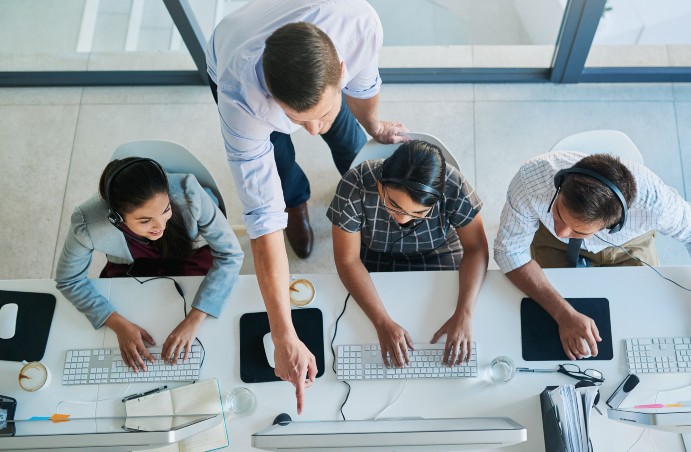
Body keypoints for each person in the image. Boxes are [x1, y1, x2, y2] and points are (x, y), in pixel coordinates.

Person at [205, 0, 407, 412]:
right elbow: (262, 223)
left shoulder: (359, 26)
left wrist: (371, 125)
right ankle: (297, 202)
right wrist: (284, 336)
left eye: (321, 114)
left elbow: (365, 89)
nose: (313, 131)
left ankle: (355, 181)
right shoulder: (239, 98)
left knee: (350, 140)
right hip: (230, 48)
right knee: (277, 161)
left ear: (342, 72)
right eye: (301, 120)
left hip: (321, 56)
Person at [494, 150, 691, 366]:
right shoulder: (531, 180)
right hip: (548, 242)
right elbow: (509, 252)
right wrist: (563, 314)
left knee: (640, 317)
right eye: (559, 212)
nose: (562, 231)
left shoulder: (656, 204)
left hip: (628, 245)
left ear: (613, 224)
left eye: (578, 229)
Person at [56, 157, 243, 372]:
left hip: (190, 254)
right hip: (132, 264)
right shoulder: (86, 222)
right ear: (117, 217)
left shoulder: (188, 191)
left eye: (166, 210)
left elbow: (230, 254)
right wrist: (116, 323)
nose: (160, 226)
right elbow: (68, 279)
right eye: (145, 221)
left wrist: (194, 318)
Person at [327, 140, 488, 368]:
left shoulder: (454, 185)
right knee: (361, 328)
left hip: (437, 251)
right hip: (375, 253)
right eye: (394, 205)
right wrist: (382, 322)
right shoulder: (355, 185)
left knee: (436, 317)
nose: (403, 219)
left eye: (420, 213)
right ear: (380, 184)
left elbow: (476, 248)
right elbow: (347, 259)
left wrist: (465, 313)